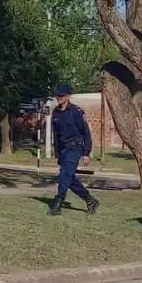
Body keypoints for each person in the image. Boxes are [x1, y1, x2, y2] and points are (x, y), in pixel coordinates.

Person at [49, 85, 100, 216]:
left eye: (61, 96)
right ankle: (90, 200)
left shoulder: (76, 111)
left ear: (68, 96)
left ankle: (58, 202)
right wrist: (57, 153)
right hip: (63, 149)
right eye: (57, 95)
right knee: (69, 177)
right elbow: (56, 135)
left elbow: (86, 133)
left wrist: (86, 153)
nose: (58, 98)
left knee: (64, 175)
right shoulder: (56, 112)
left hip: (75, 147)